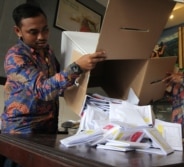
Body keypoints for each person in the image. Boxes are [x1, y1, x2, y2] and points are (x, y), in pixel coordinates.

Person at [1, 2, 106, 135]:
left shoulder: (48, 51)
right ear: (18, 31)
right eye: (33, 32)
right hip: (22, 131)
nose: (42, 37)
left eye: (45, 29)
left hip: (49, 127)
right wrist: (77, 66)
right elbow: (43, 90)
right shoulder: (15, 56)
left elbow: (58, 82)